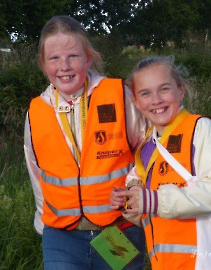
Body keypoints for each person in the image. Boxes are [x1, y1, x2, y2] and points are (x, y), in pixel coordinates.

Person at [24, 15, 148, 269]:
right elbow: (36, 172)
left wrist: (135, 193)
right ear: (43, 64)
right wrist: (43, 222)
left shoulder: (117, 95)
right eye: (54, 58)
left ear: (88, 58)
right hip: (61, 235)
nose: (64, 66)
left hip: (118, 228)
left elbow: (147, 149)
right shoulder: (36, 110)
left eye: (73, 57)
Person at [110, 55, 211, 269]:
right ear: (136, 102)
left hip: (208, 261)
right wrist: (130, 201)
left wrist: (153, 201)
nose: (156, 100)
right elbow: (147, 205)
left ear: (181, 90)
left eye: (164, 89)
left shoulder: (203, 131)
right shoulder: (147, 146)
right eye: (145, 93)